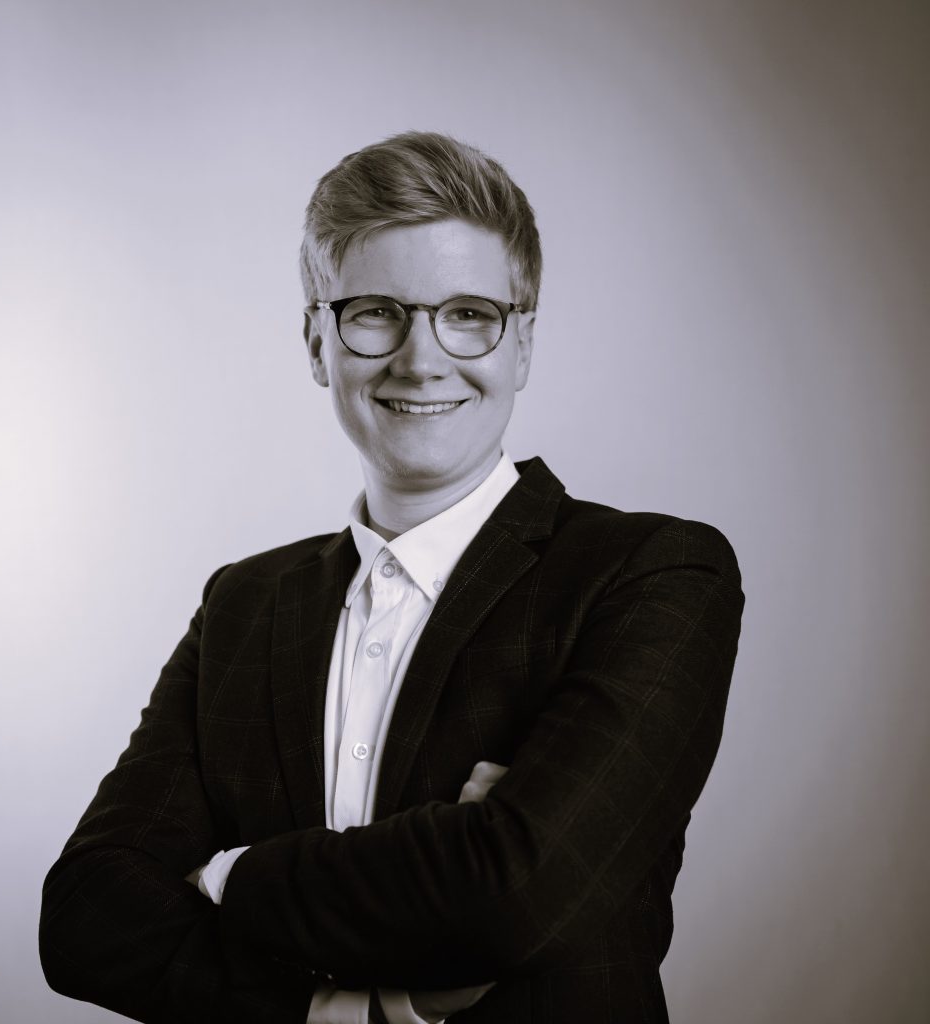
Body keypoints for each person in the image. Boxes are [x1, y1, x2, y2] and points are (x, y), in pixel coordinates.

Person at [40, 131, 745, 1024]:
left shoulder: (652, 575)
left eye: (469, 313)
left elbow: (516, 893)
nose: (420, 358)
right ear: (317, 342)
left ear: (522, 344)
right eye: (377, 312)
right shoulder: (242, 606)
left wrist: (227, 873)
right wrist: (342, 1009)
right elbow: (85, 917)